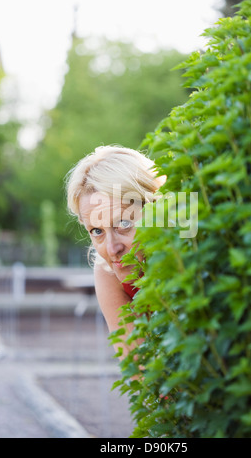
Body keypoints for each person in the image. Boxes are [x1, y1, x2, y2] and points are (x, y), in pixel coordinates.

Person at [66, 145, 164, 356]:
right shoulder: (107, 272)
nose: (112, 249)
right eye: (97, 231)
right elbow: (142, 373)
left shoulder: (190, 253)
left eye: (124, 224)